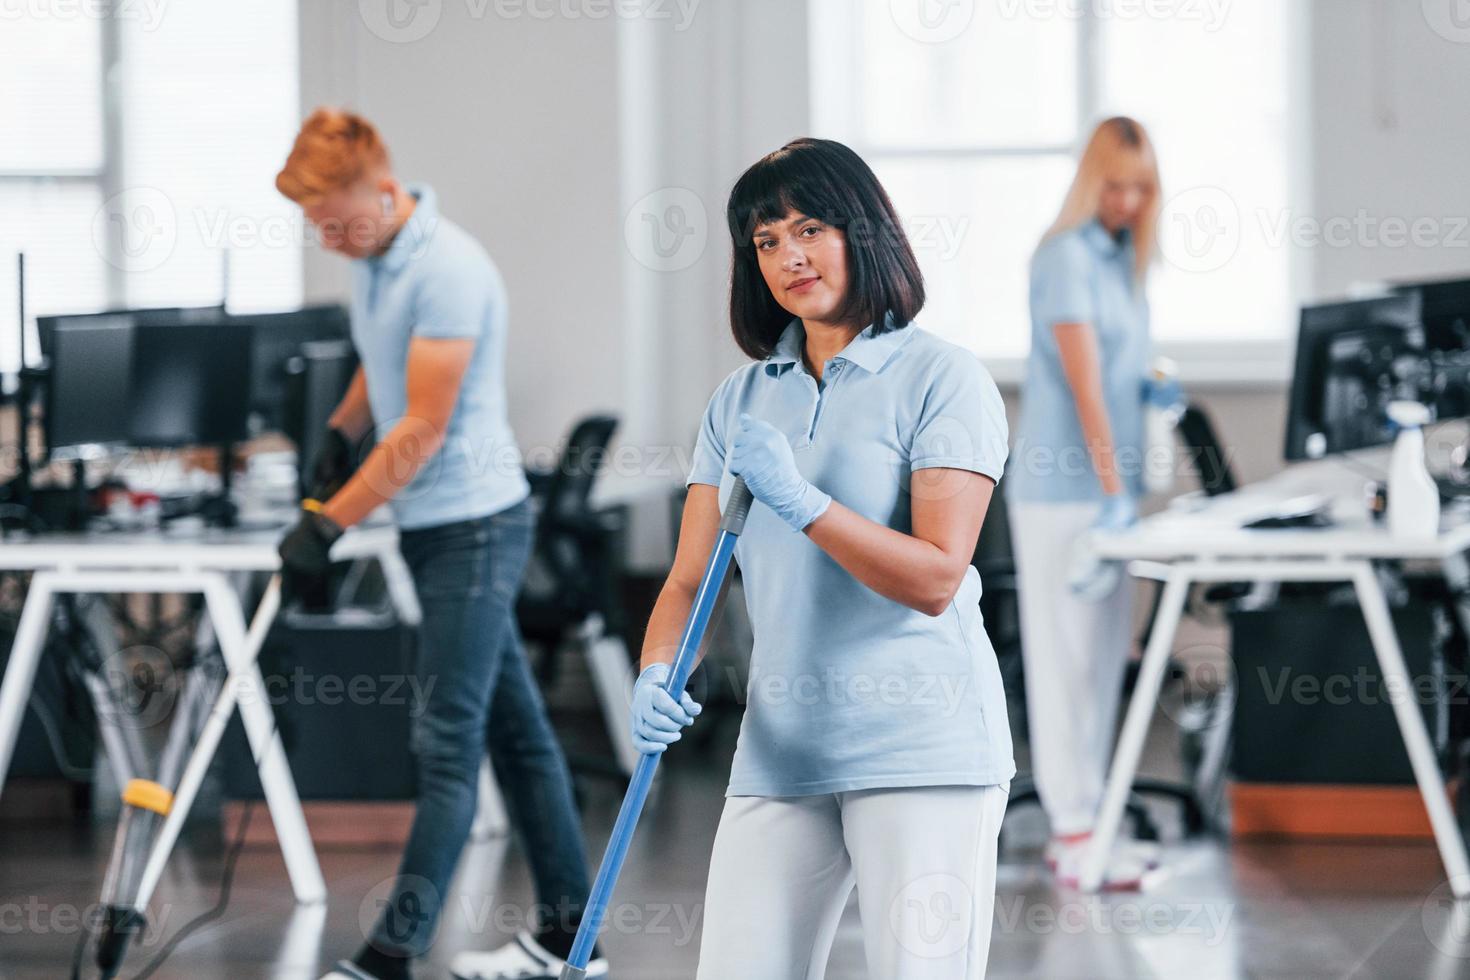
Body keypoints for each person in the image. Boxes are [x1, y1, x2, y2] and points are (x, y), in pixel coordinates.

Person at [631, 137, 1013, 978]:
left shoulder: (941, 377)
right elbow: (690, 579)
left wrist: (803, 503)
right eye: (765, 241)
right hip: (781, 750)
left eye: (809, 229)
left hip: (922, 748)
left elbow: (936, 578)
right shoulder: (739, 400)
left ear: (863, 232)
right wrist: (660, 667)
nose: (789, 257)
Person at [272, 108, 606, 980]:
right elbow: (379, 365)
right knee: (521, 737)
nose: (327, 238)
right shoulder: (377, 260)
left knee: (449, 740)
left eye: (333, 220)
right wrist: (343, 429)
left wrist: (326, 522)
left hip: (476, 527)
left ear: (382, 190)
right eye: (315, 226)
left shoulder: (449, 268)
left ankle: (392, 954)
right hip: (431, 529)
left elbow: (420, 428)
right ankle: (574, 938)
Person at [1005, 116, 1179, 890]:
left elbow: (1118, 378)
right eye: (1115, 185)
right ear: (1089, 181)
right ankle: (1071, 830)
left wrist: (1153, 392)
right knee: (1063, 662)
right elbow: (1082, 390)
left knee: (1107, 663)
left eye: (1142, 189)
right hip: (1062, 493)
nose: (1129, 201)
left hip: (1113, 492)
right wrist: (1113, 492)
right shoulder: (1065, 259)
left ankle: (1095, 821)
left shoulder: (1121, 264)